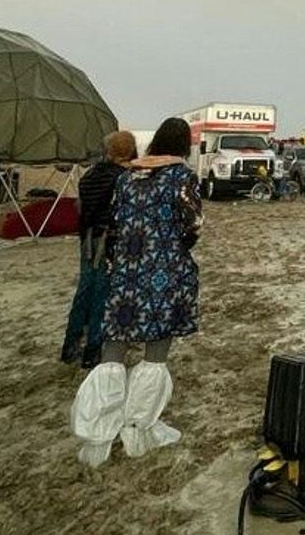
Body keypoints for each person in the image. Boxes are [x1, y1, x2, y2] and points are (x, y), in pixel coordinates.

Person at [71, 116, 202, 466]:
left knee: (113, 349)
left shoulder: (128, 177)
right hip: (165, 270)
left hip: (127, 270)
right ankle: (138, 428)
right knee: (155, 350)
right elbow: (192, 225)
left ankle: (98, 433)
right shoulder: (181, 176)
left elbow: (114, 221)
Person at [61, 130, 138, 369]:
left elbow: (82, 209)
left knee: (85, 290)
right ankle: (93, 350)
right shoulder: (126, 178)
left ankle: (70, 345)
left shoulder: (91, 175)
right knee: (103, 295)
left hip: (88, 239)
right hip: (111, 241)